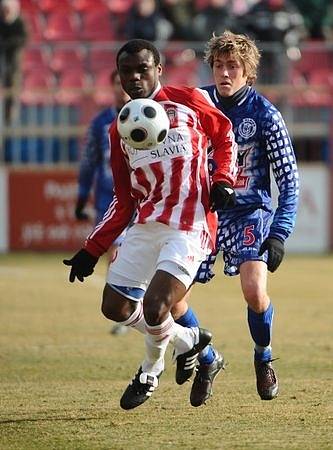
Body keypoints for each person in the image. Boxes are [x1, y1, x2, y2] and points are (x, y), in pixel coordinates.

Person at [63, 39, 238, 410]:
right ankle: (189, 342)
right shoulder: (119, 128)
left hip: (189, 226)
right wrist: (91, 248)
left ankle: (149, 370)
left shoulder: (189, 99)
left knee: (157, 304)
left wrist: (223, 178)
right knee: (114, 306)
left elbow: (224, 136)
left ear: (158, 69)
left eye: (143, 68)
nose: (135, 77)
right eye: (127, 71)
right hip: (146, 225)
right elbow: (125, 199)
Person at [173, 30, 299, 406]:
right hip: (204, 214)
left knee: (254, 290)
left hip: (249, 213)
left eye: (233, 67)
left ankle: (263, 356)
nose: (224, 73)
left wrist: (279, 233)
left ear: (248, 73)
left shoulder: (265, 115)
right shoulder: (198, 106)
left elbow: (289, 181)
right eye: (218, 65)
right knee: (172, 298)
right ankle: (209, 360)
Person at [75, 69, 130, 336]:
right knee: (115, 253)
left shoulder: (149, 116)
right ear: (111, 87)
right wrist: (81, 197)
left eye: (127, 82)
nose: (124, 88)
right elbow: (89, 163)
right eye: (118, 83)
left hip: (142, 199)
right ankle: (124, 312)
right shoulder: (100, 124)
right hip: (110, 199)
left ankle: (141, 305)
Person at [0, 0, 28, 125]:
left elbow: (23, 39)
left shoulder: (19, 22)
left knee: (12, 89)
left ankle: (10, 118)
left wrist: (9, 44)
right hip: (2, 62)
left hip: (13, 64)